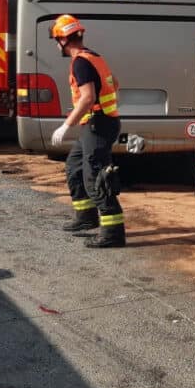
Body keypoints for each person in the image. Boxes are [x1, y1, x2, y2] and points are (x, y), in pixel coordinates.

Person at [49, 14, 126, 248]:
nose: (56, 45)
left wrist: (66, 125)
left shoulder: (80, 62)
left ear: (63, 40)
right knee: (75, 166)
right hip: (99, 123)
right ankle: (86, 217)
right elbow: (116, 83)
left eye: (57, 40)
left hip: (98, 124)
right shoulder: (94, 57)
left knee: (96, 175)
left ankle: (113, 233)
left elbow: (88, 98)